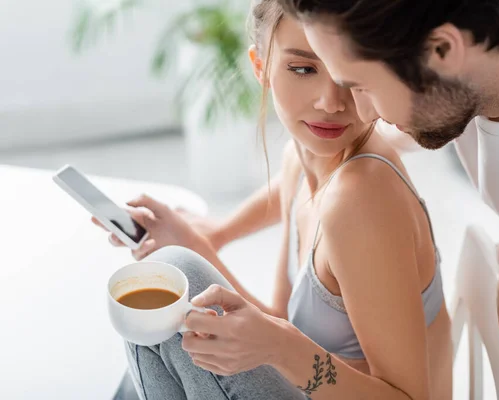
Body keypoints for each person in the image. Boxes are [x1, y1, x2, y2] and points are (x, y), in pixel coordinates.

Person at [96, 0, 452, 398]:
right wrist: (206, 241)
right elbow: (280, 325)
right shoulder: (304, 161)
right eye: (303, 68)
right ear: (260, 66)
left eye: (349, 73)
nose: (330, 102)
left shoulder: (361, 201)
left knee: (173, 275)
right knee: (167, 313)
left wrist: (281, 346)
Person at [276, 0, 499, 397]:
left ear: (443, 50)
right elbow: (321, 157)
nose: (363, 111)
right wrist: (221, 231)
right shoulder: (472, 65)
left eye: (361, 85)